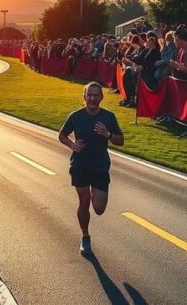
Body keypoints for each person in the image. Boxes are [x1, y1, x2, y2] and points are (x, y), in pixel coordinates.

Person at [59, 82, 124, 255]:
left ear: (101, 97)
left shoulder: (108, 117)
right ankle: (85, 236)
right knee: (84, 201)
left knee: (99, 209)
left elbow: (120, 140)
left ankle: (95, 190)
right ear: (84, 97)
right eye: (90, 95)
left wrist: (108, 134)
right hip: (80, 165)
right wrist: (72, 145)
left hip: (100, 167)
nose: (93, 99)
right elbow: (62, 135)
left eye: (96, 95)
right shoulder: (76, 116)